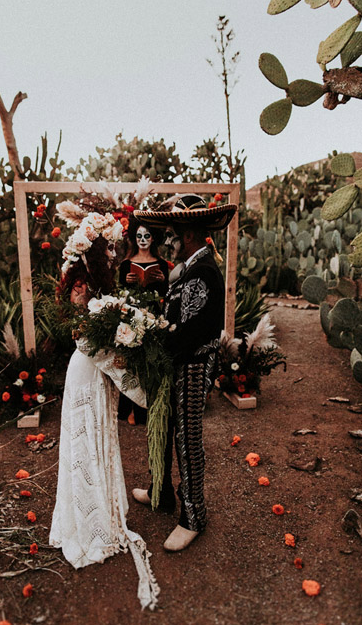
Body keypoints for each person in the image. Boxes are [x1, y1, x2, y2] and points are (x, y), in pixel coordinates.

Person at [48, 215, 160, 611]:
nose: (77, 293)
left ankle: (105, 509)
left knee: (100, 438)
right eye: (73, 287)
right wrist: (141, 389)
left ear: (91, 283)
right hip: (81, 380)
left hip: (96, 382)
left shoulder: (100, 309)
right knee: (83, 444)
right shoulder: (89, 315)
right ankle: (88, 520)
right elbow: (101, 356)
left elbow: (111, 359)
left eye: (82, 286)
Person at [131, 195, 236, 552]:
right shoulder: (188, 266)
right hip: (177, 359)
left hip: (193, 362)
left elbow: (193, 329)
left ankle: (193, 516)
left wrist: (160, 346)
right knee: (162, 426)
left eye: (173, 234)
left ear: (189, 234)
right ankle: (161, 493)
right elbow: (176, 315)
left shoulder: (203, 270)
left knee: (187, 437)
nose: (167, 240)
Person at [116, 219, 170, 425]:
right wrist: (127, 283)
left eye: (147, 236)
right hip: (133, 316)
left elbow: (166, 294)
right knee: (131, 362)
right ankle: (129, 409)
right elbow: (121, 294)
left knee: (152, 361)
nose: (143, 240)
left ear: (153, 238)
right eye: (139, 236)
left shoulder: (162, 264)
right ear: (134, 238)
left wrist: (161, 281)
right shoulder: (126, 264)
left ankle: (148, 408)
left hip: (154, 316)